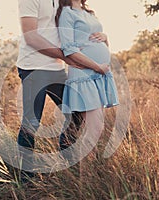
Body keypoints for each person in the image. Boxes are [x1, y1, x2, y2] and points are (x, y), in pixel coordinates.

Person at [16, 0, 110, 183]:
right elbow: (31, 37)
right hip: (33, 67)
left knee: (75, 114)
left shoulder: (61, 1)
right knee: (31, 122)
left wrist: (103, 36)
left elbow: (77, 27)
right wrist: (65, 55)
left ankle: (67, 163)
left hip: (56, 68)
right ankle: (26, 179)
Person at [56, 0, 119, 159]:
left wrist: (105, 38)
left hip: (99, 76)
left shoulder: (88, 13)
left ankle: (89, 173)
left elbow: (100, 43)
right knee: (95, 128)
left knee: (96, 129)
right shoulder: (66, 13)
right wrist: (97, 67)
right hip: (83, 76)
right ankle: (84, 177)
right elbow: (69, 50)